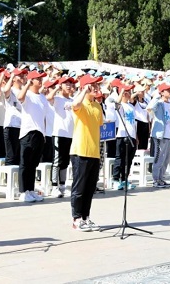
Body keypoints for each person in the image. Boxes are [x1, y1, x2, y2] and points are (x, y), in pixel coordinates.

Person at [70, 74, 103, 232]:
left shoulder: (97, 105)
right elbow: (75, 103)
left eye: (97, 85)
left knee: (90, 188)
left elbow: (99, 124)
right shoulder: (80, 103)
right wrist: (83, 90)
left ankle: (85, 217)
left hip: (94, 152)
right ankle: (76, 219)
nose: (97, 87)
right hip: (80, 151)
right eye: (94, 85)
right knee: (80, 187)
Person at [16, 69, 48, 203]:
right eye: (38, 79)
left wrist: (45, 134)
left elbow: (44, 117)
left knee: (33, 164)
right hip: (29, 132)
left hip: (40, 133)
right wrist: (27, 84)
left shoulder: (42, 97)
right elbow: (19, 97)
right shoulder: (27, 94)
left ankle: (30, 189)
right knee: (25, 163)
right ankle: (23, 192)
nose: (40, 81)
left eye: (41, 79)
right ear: (31, 80)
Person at [46, 76, 75, 198]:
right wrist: (57, 87)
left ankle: (62, 185)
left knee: (65, 162)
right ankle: (54, 186)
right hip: (59, 133)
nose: (68, 85)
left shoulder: (73, 100)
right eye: (66, 83)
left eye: (70, 83)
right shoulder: (57, 99)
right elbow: (48, 98)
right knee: (57, 161)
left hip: (70, 134)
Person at [147, 82, 170, 188]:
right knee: (159, 157)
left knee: (166, 158)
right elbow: (149, 108)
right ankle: (156, 179)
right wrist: (157, 96)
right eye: (168, 90)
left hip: (168, 135)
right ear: (162, 92)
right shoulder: (158, 103)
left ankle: (161, 178)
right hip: (159, 135)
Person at [111, 81, 137, 191]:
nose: (130, 93)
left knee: (129, 160)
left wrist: (136, 137)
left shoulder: (131, 106)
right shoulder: (121, 106)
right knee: (120, 158)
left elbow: (134, 123)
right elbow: (116, 105)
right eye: (127, 91)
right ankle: (116, 180)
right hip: (122, 135)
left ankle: (124, 179)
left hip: (132, 136)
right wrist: (121, 92)